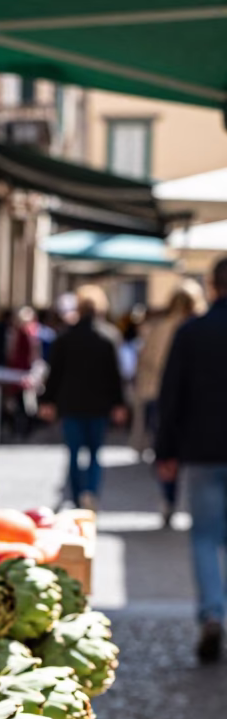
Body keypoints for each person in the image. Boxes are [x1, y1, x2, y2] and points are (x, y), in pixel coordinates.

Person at [156, 257, 227, 663]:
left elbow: (171, 395)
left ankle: (212, 614)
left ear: (213, 286)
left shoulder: (192, 332)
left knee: (204, 538)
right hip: (204, 451)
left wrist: (165, 451)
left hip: (201, 451)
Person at [41, 285, 126, 509]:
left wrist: (47, 401)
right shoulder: (108, 337)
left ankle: (79, 495)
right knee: (95, 453)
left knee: (74, 453)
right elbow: (115, 375)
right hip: (99, 405)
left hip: (71, 404)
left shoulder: (65, 337)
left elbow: (54, 373)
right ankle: (90, 492)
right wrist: (119, 403)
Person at [135, 281, 205, 525]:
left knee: (166, 451)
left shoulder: (161, 328)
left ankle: (169, 498)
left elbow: (144, 361)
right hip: (193, 400)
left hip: (160, 395)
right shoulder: (197, 328)